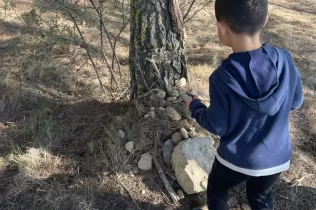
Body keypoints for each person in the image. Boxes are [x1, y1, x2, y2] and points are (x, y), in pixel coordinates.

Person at [186, 0, 304, 209]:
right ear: (265, 20)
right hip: (277, 159)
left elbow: (218, 126)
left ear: (221, 28)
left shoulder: (221, 78)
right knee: (260, 195)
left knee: (217, 190)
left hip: (236, 160)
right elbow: (295, 102)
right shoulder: (286, 59)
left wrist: (194, 106)